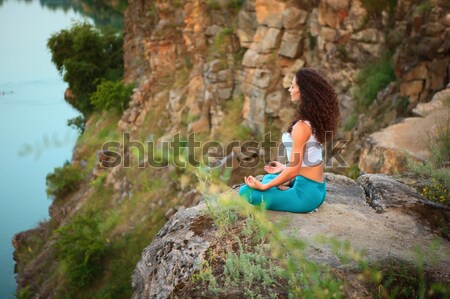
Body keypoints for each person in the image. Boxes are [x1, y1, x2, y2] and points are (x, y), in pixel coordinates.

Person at [239, 68, 340, 213]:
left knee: (246, 192)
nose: (289, 89)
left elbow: (295, 169)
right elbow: (307, 161)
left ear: (304, 91)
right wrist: (284, 169)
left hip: (305, 196)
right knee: (269, 177)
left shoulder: (301, 127)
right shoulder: (314, 120)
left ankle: (286, 189)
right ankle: (286, 185)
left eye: (293, 86)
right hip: (317, 188)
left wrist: (264, 187)